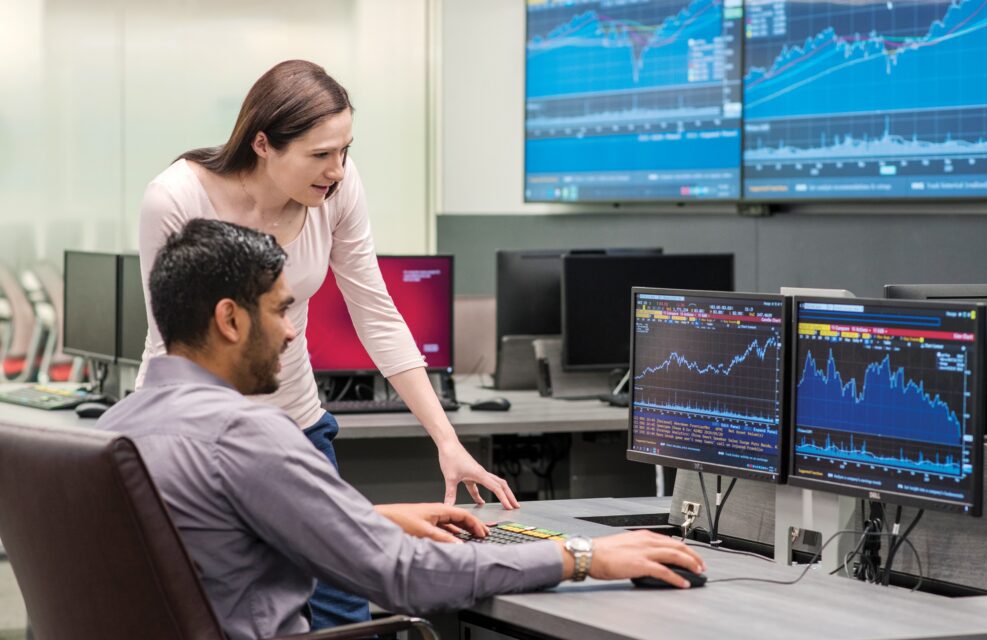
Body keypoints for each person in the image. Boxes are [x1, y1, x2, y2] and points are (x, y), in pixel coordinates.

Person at [96, 219, 706, 640]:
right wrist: (580, 555)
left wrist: (371, 519)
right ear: (229, 320)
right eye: (281, 309)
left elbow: (211, 536)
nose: (291, 331)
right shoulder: (248, 433)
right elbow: (407, 577)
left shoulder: (115, 428)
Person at [136, 59, 515, 627]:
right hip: (197, 440)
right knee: (221, 610)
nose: (336, 169)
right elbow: (177, 341)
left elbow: (375, 311)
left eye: (345, 151)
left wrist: (446, 439)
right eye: (319, 155)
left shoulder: (335, 187)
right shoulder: (177, 197)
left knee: (343, 611)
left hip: (296, 424)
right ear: (262, 143)